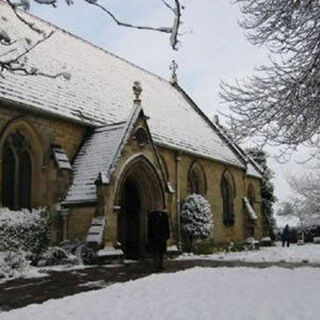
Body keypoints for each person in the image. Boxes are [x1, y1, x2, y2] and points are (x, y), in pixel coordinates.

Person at [147, 201, 170, 269]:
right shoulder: (151, 215)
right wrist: (149, 236)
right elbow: (149, 226)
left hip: (162, 237)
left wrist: (167, 235)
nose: (158, 208)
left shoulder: (164, 215)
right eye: (157, 206)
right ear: (155, 207)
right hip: (154, 237)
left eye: (160, 206)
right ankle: (155, 264)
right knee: (155, 252)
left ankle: (161, 264)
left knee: (161, 252)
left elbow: (167, 225)